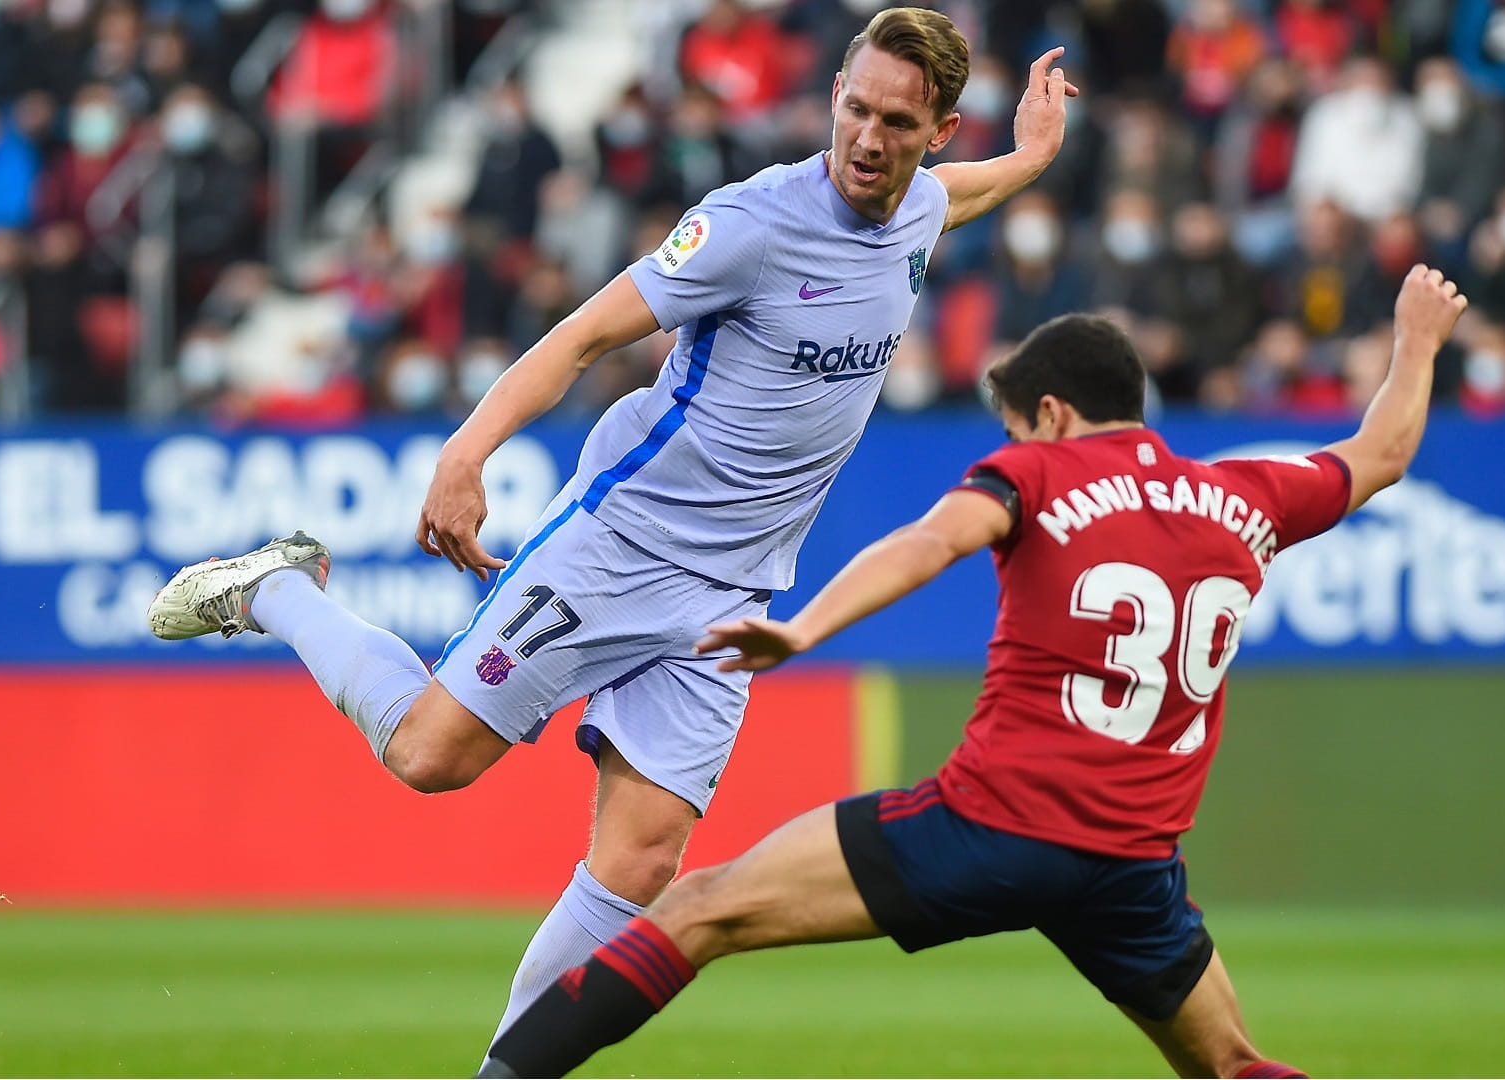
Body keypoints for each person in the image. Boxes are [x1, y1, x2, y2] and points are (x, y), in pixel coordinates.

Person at [144, 6, 1078, 1051]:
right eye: (854, 108)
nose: (867, 139)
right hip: (621, 545)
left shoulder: (916, 211)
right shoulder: (750, 224)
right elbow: (585, 334)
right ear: (833, 98)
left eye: (898, 124)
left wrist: (1034, 151)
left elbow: (972, 190)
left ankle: (511, 1070)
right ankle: (276, 589)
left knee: (640, 866)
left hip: (732, 598)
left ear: (939, 130)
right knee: (429, 759)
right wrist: (466, 452)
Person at [475, 265, 1470, 1080]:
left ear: (1050, 413)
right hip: (1131, 866)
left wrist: (808, 627)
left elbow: (930, 541)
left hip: (992, 826)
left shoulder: (1039, 471)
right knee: (1230, 1065)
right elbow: (1380, 452)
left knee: (695, 912)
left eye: (1010, 427)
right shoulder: (1243, 495)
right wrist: (1418, 338)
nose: (1008, 443)